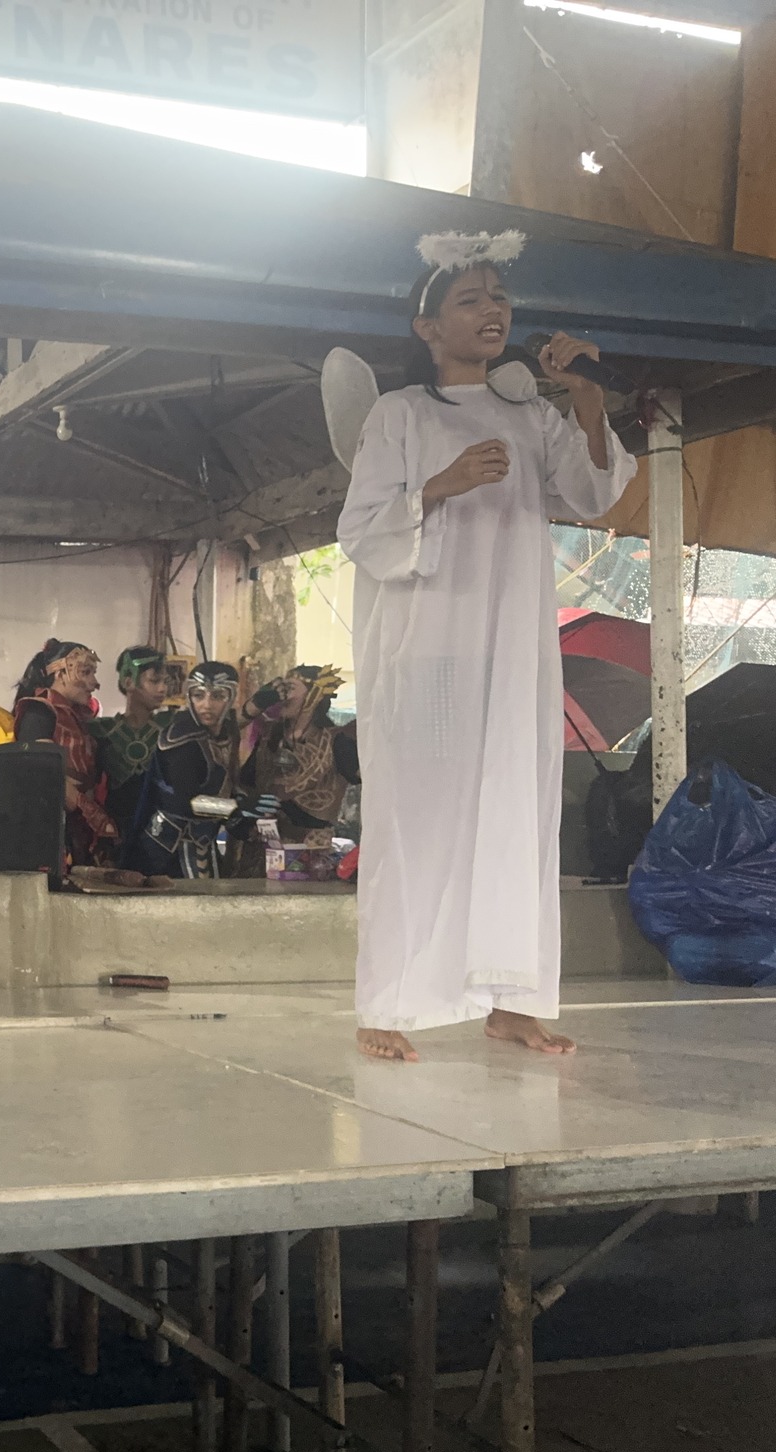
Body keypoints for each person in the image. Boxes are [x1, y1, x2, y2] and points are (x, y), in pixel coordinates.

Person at [340, 234, 633, 1062]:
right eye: (470, 299)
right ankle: (388, 1001)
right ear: (427, 327)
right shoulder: (400, 414)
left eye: (499, 297)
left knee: (518, 808)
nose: (493, 311)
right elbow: (361, 531)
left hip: (514, 649)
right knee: (418, 816)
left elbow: (595, 490)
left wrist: (585, 396)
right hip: (430, 648)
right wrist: (441, 485)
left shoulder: (536, 416)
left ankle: (513, 999)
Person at [142, 660, 246, 879]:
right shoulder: (180, 738)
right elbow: (189, 802)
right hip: (169, 848)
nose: (206, 705)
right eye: (199, 695)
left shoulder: (226, 731)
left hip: (204, 840)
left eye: (217, 696)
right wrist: (237, 807)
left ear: (231, 697)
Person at [12, 639, 109, 866]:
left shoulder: (79, 717)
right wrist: (93, 815)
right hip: (51, 826)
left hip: (80, 827)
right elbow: (46, 774)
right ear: (61, 673)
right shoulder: (38, 711)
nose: (93, 683)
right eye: (85, 672)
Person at [241, 666, 358, 848]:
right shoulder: (269, 736)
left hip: (309, 853)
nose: (281, 696)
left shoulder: (337, 741)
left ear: (314, 694)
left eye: (290, 689)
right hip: (260, 847)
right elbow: (244, 782)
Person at [89, 646, 168, 870]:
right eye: (154, 681)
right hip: (114, 831)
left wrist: (254, 707)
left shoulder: (170, 727)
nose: (162, 688)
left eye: (165, 681)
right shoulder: (101, 729)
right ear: (128, 682)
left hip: (159, 829)